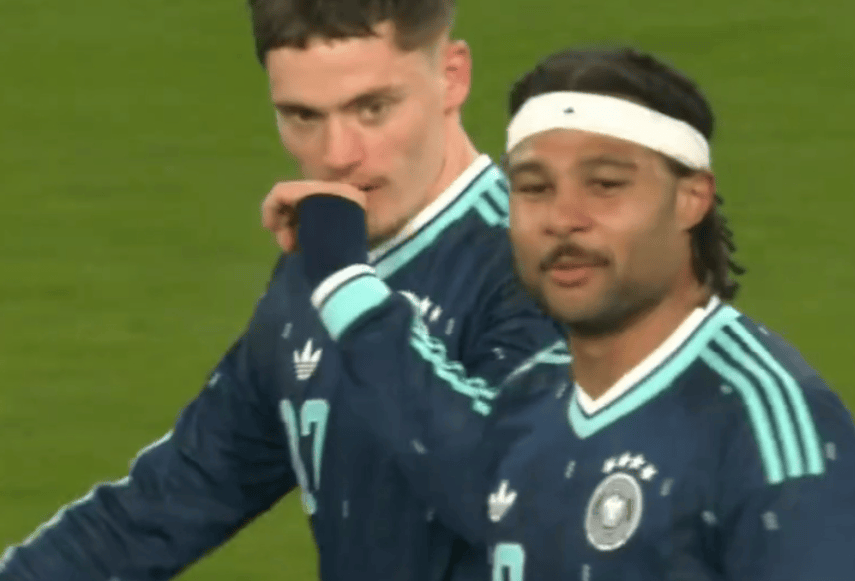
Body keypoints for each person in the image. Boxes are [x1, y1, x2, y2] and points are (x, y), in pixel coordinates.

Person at [0, 1, 560, 580]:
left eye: (373, 108)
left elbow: (507, 499)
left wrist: (346, 289)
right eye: (303, 117)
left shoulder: (544, 273)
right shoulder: (319, 274)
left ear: (452, 77)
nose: (338, 155)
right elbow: (160, 509)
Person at [263, 46, 855, 580]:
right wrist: (340, 271)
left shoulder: (763, 426)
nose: (563, 219)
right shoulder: (532, 401)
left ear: (690, 199)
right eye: (534, 188)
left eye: (605, 185)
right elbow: (435, 434)